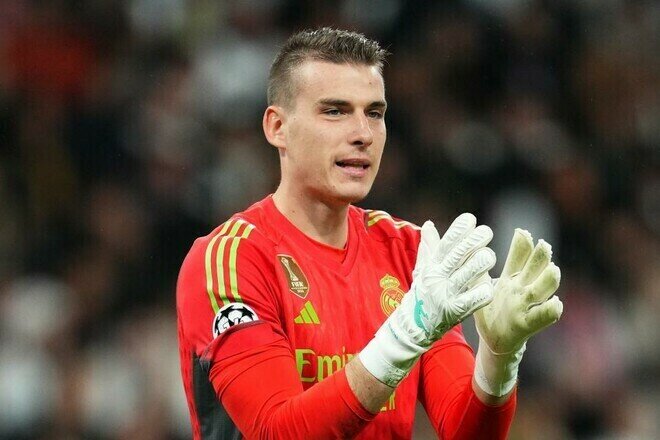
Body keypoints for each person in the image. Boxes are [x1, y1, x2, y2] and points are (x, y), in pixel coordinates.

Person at [177, 28, 563, 439]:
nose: (362, 134)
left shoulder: (409, 252)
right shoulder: (231, 259)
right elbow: (277, 432)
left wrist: (498, 361)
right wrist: (405, 335)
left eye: (374, 113)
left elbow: (465, 432)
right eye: (335, 111)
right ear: (278, 127)